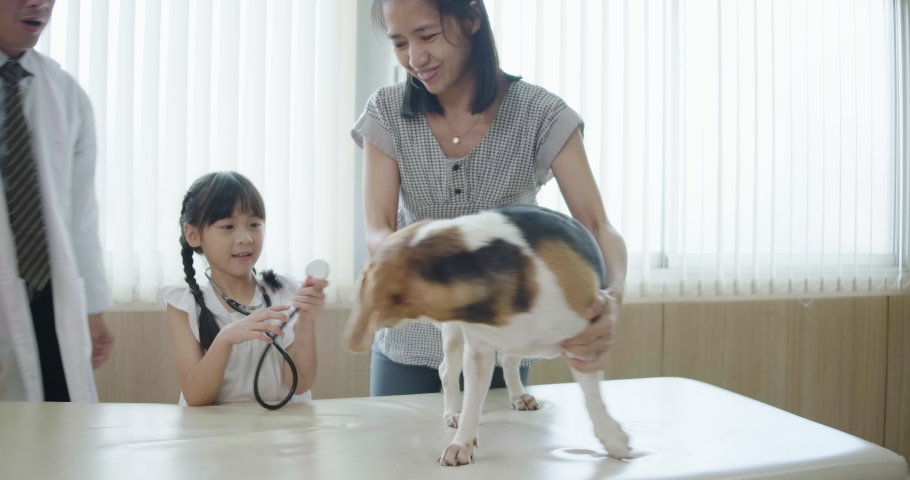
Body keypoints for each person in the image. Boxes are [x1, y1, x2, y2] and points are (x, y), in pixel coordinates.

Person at [352, 0, 627, 397]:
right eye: (399, 43)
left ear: (471, 19)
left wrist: (611, 297)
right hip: (409, 346)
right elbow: (379, 231)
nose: (415, 58)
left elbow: (597, 226)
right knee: (396, 456)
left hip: (505, 339)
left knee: (500, 453)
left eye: (427, 35)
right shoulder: (387, 111)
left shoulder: (541, 113)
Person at [0, 0, 113, 402]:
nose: (39, 3)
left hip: (49, 296)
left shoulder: (65, 93)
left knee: (59, 442)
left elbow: (80, 214)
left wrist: (93, 308)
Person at [160, 171, 327, 406]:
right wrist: (225, 339)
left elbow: (299, 385)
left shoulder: (286, 291)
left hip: (278, 432)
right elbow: (196, 397)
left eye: (254, 224)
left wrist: (306, 320)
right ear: (193, 234)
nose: (246, 237)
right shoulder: (184, 304)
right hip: (217, 436)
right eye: (228, 226)